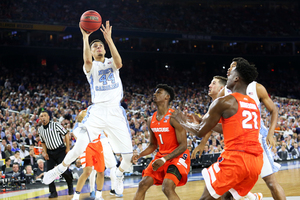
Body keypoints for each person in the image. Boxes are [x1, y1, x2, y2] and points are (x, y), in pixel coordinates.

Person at [43, 20, 132, 196]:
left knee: (128, 157)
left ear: (104, 49)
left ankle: (119, 174)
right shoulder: (90, 67)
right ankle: (59, 169)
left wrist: (109, 40)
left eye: (100, 46)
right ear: (91, 51)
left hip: (115, 111)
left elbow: (120, 63)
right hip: (98, 110)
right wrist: (86, 38)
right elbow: (86, 60)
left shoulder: (111, 63)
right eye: (95, 46)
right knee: (81, 142)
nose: (98, 47)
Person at [172, 62, 263, 200]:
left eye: (231, 74)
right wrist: (202, 120)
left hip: (236, 160)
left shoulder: (225, 101)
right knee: (227, 198)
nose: (229, 76)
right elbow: (227, 128)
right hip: (255, 162)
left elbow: (200, 132)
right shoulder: (253, 104)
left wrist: (182, 121)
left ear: (236, 78)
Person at [218, 58, 286, 200]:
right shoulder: (224, 91)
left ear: (240, 71)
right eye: (229, 66)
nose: (228, 69)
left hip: (256, 140)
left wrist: (270, 134)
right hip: (235, 144)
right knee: (227, 190)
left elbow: (274, 110)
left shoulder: (256, 87)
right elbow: (214, 120)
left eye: (233, 66)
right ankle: (253, 197)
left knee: (271, 183)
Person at [132, 84, 190, 200]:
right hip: (161, 156)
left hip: (177, 156)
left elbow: (183, 146)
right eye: (155, 92)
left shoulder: (175, 116)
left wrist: (164, 159)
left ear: (167, 97)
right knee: (142, 184)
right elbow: (153, 145)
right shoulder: (150, 119)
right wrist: (140, 154)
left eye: (159, 92)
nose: (155, 94)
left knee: (167, 187)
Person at [72, 109, 118, 199]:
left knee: (101, 172)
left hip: (98, 144)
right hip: (87, 145)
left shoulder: (100, 115)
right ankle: (76, 196)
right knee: (87, 172)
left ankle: (99, 196)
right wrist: (79, 146)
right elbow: (75, 130)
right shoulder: (83, 114)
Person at [38, 110, 74, 198]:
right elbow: (43, 142)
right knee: (49, 173)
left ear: (48, 117)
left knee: (64, 170)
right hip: (50, 153)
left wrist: (67, 147)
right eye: (41, 116)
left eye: (45, 115)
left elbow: (66, 134)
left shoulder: (55, 124)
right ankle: (53, 192)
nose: (43, 117)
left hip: (60, 150)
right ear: (40, 118)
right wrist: (45, 152)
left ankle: (70, 185)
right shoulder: (40, 129)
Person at [191, 76, 227, 159]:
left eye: (213, 83)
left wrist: (202, 122)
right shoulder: (214, 104)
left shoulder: (225, 103)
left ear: (221, 89)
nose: (209, 85)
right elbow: (209, 126)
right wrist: (202, 143)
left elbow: (211, 125)